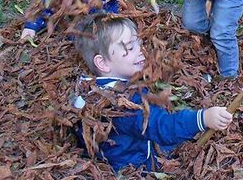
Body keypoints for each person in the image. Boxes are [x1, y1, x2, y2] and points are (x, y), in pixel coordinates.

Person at [72, 14, 233, 170]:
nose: (140, 50)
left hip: (114, 150)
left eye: (139, 43)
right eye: (130, 47)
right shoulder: (121, 104)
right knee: (180, 142)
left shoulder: (88, 89)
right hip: (135, 163)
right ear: (103, 63)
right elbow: (161, 128)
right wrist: (203, 118)